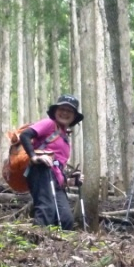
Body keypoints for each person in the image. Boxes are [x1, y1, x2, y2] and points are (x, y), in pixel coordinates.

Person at [19, 94, 81, 229]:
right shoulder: (49, 124)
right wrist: (34, 157)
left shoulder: (64, 136)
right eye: (62, 109)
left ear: (74, 116)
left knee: (65, 219)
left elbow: (58, 166)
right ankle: (36, 245)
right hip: (41, 171)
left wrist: (70, 181)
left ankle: (59, 248)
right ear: (55, 111)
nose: (65, 113)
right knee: (46, 210)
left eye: (69, 111)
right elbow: (25, 135)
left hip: (55, 180)